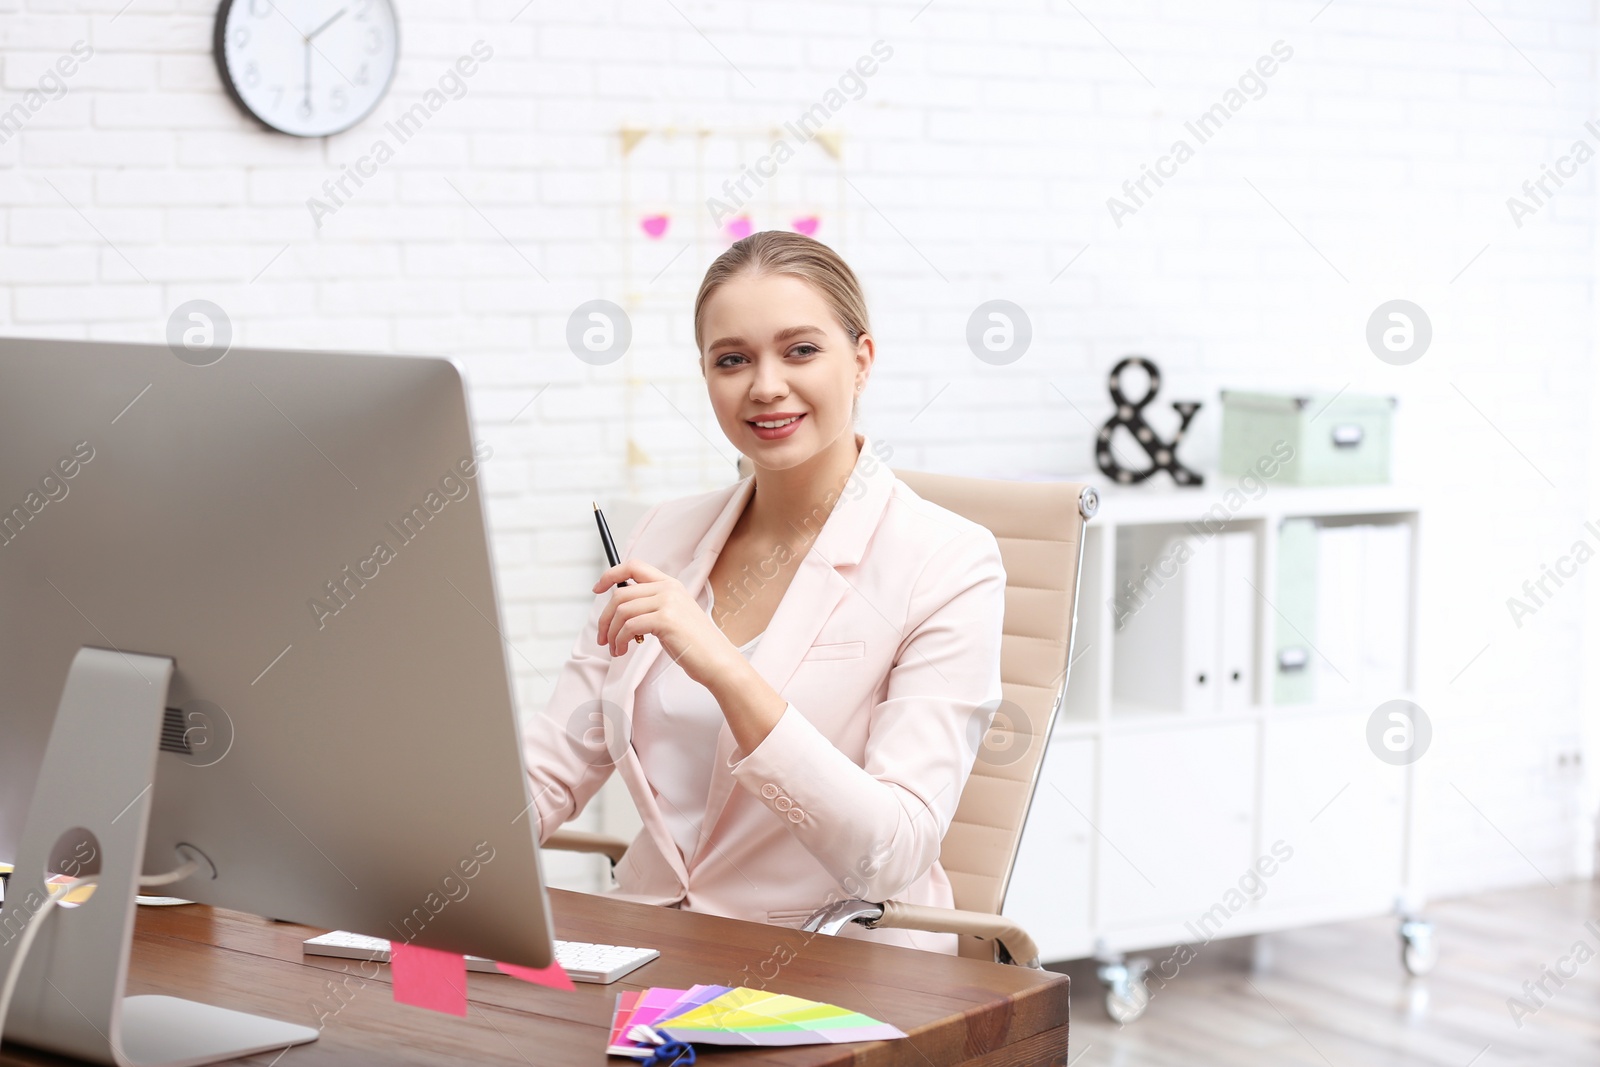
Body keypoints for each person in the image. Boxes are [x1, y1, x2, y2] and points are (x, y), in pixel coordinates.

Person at [520, 230, 1006, 955]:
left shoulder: (948, 560)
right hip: (652, 950)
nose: (766, 385)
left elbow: (891, 854)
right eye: (733, 359)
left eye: (801, 350)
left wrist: (722, 664)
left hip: (832, 966)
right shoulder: (663, 534)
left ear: (862, 359)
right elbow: (555, 761)